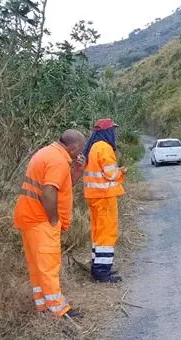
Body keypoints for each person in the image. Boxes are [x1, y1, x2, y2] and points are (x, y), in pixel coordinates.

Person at [13, 129, 87, 318]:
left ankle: (43, 306)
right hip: (41, 221)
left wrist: (78, 171)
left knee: (37, 266)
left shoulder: (48, 152)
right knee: (49, 266)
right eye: (80, 149)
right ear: (73, 148)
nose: (81, 153)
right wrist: (54, 219)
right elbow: (49, 192)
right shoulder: (58, 161)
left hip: (29, 218)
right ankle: (58, 310)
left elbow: (61, 187)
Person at [83, 118, 127, 283]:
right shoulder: (105, 148)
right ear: (107, 132)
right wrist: (122, 171)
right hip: (105, 197)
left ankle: (98, 267)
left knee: (97, 233)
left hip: (94, 197)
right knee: (107, 233)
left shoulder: (93, 147)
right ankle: (102, 273)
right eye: (113, 130)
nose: (114, 133)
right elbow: (111, 174)